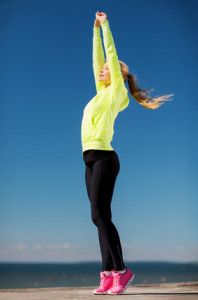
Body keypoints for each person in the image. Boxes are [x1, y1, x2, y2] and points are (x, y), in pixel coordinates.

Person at [80, 11, 174, 295]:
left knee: (101, 214)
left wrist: (106, 25)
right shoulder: (101, 91)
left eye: (108, 68)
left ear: (118, 74)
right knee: (98, 216)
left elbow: (110, 54)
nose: (101, 70)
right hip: (89, 158)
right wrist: (93, 30)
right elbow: (98, 59)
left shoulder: (116, 94)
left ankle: (121, 270)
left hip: (105, 158)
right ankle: (107, 273)